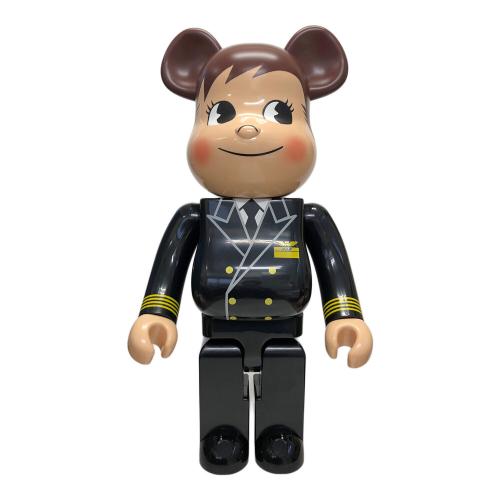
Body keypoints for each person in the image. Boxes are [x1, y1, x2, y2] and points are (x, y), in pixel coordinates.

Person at [128, 26, 373, 474]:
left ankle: (281, 432)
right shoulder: (194, 217)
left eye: (280, 112)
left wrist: (345, 316)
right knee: (218, 370)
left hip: (284, 327)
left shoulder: (309, 218)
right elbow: (169, 270)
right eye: (221, 113)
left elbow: (334, 268)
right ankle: (223, 433)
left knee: (286, 370)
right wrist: (157, 314)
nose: (246, 127)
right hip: (219, 326)